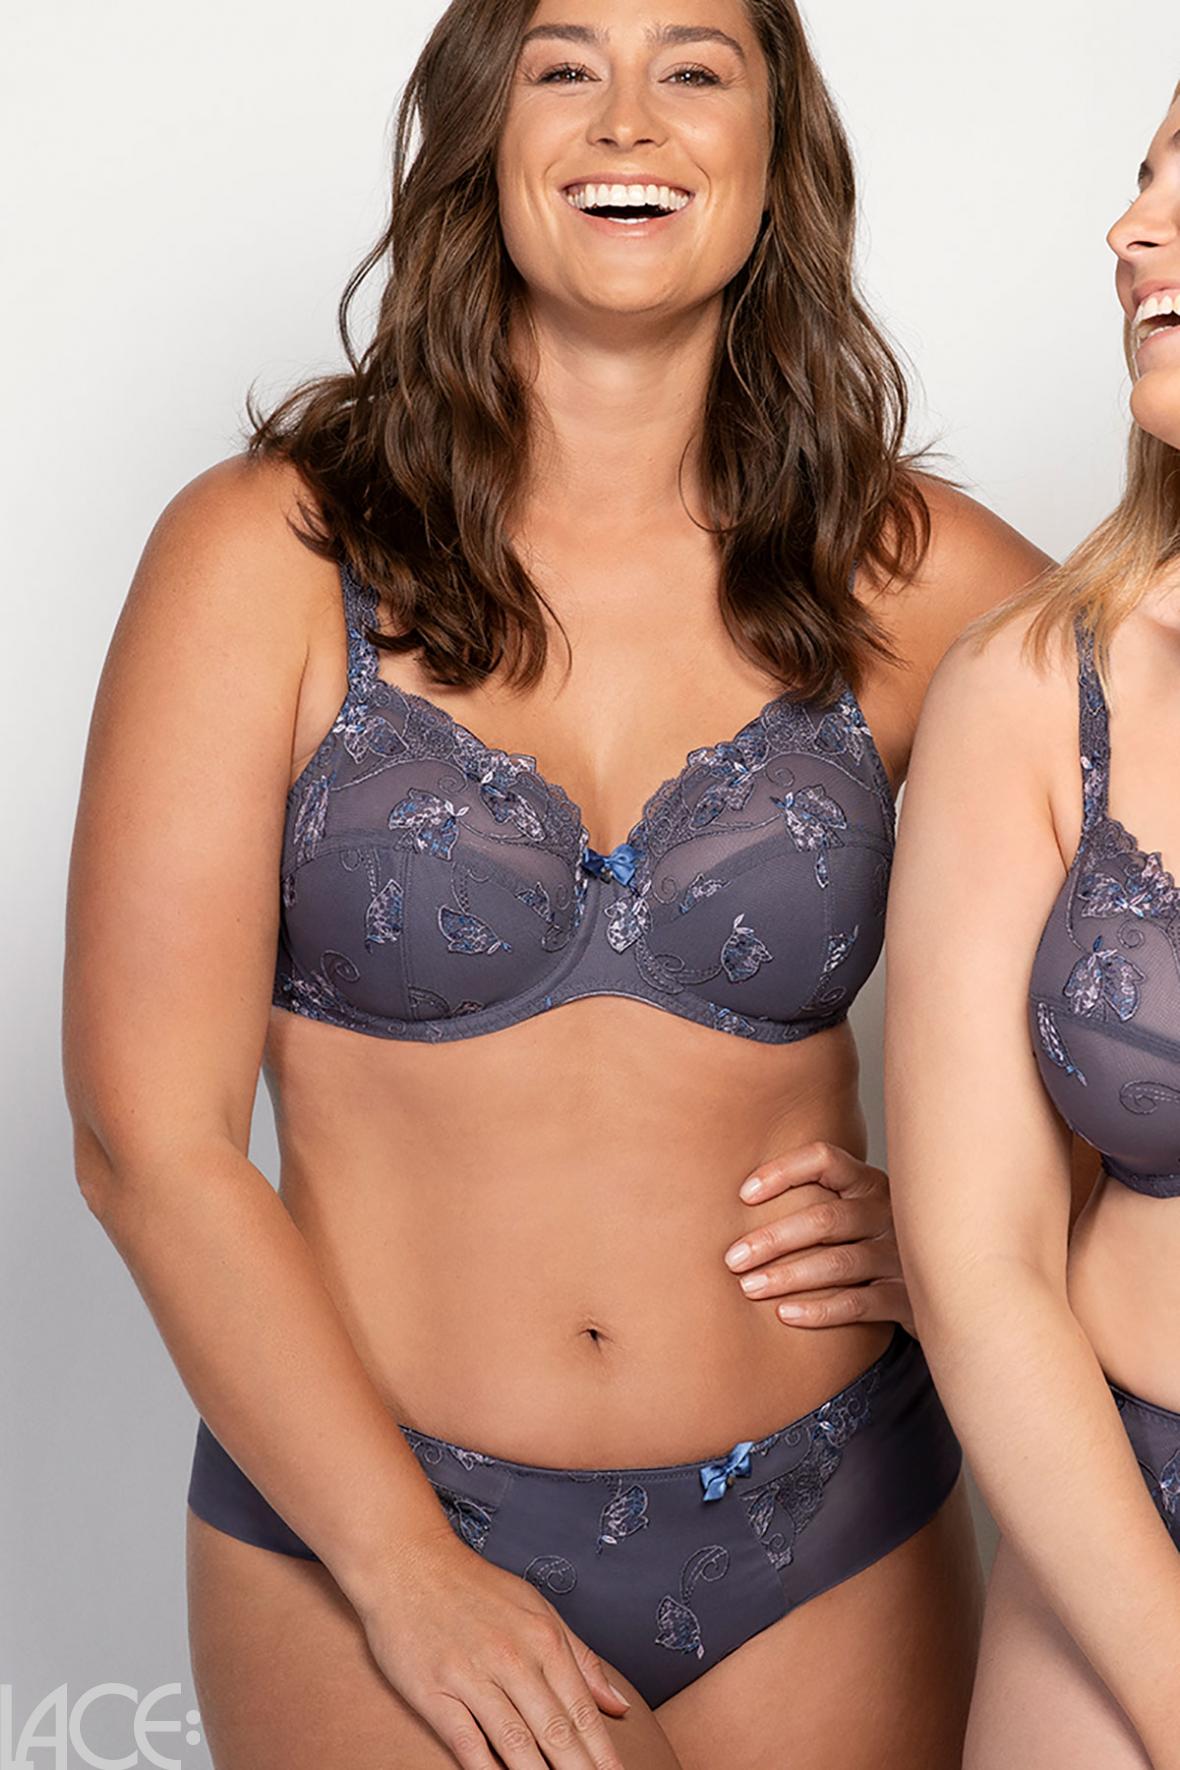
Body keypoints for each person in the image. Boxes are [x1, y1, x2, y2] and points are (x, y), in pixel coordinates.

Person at [61, 3, 1046, 1766]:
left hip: (833, 1523)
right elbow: (149, 1134)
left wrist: (992, 1238)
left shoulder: (908, 571)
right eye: (564, 65)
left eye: (696, 67)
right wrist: (405, 1568)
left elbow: (1143, 928)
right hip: (367, 1520)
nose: (628, 121)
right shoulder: (267, 553)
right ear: (481, 136)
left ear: (776, 153)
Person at [885, 79, 1180, 1770]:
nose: (1133, 230)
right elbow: (977, 1257)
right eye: (1144, 180)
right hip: (1126, 1528)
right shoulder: (1030, 688)